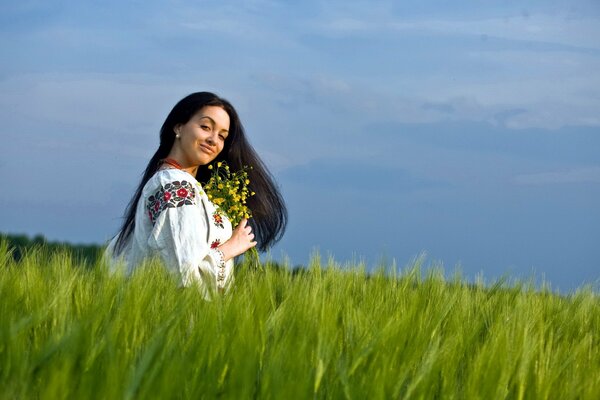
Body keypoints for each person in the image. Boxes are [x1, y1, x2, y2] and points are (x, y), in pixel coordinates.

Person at [104, 92, 287, 297]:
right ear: (179, 127)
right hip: (177, 320)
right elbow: (183, 277)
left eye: (222, 136)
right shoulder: (174, 185)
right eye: (206, 127)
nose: (213, 140)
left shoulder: (184, 187)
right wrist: (230, 248)